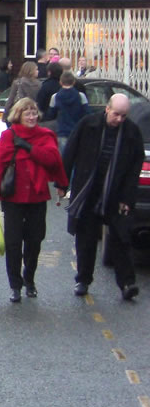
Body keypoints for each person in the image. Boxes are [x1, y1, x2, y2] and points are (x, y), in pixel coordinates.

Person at [0, 97, 68, 303]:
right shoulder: (8, 136)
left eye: (34, 113)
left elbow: (53, 160)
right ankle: (15, 285)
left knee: (34, 241)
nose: (31, 117)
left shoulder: (46, 135)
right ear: (19, 115)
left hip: (37, 196)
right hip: (13, 197)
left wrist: (29, 148)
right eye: (27, 113)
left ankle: (29, 279)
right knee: (13, 243)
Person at [62, 94, 142, 301]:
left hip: (116, 193)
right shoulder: (88, 125)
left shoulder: (132, 133)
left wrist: (127, 197)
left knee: (121, 239)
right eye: (116, 114)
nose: (120, 120)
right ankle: (83, 280)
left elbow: (135, 167)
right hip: (89, 191)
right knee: (86, 239)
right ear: (107, 109)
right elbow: (70, 152)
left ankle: (127, 284)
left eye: (124, 116)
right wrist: (62, 183)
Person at [49, 70, 89, 150]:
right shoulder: (81, 96)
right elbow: (87, 114)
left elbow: (50, 115)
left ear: (60, 82)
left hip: (62, 131)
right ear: (73, 82)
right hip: (77, 131)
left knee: (63, 158)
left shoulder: (55, 97)